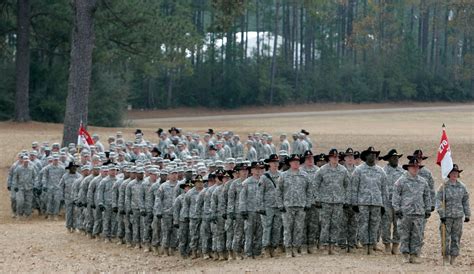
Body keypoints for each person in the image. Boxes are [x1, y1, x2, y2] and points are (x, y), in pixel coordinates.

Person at [392, 158, 431, 264]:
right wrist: (397, 209)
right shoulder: (401, 181)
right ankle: (405, 255)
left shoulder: (423, 182)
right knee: (404, 234)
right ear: (408, 168)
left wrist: (427, 209)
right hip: (405, 212)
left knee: (417, 235)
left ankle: (414, 255)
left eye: (417, 167)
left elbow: (427, 196)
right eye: (413, 167)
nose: (415, 169)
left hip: (419, 213)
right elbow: (395, 195)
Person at [351, 147, 388, 255]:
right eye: (370, 154)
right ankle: (365, 245)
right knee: (363, 224)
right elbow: (354, 188)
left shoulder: (381, 171)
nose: (373, 156)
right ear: (366, 156)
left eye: (374, 154)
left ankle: (372, 246)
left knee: (374, 225)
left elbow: (384, 190)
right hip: (363, 203)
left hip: (376, 203)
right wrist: (354, 203)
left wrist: (384, 205)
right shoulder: (358, 170)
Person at [314, 149, 351, 254]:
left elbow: (348, 186)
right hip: (326, 202)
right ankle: (325, 247)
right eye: (333, 157)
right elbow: (315, 185)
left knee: (336, 224)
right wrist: (317, 198)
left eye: (337, 157)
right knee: (325, 224)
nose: (335, 159)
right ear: (329, 158)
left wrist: (346, 200)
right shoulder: (322, 170)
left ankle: (333, 246)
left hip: (338, 202)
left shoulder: (343, 170)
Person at [277, 154, 311, 258]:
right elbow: (279, 191)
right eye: (293, 161)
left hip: (301, 205)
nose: (295, 163)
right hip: (288, 206)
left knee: (299, 228)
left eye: (297, 161)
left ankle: (296, 248)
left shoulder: (305, 175)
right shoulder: (283, 175)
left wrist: (308, 203)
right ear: (290, 163)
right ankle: (288, 249)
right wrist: (280, 204)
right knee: (288, 228)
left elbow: (309, 190)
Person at [435, 164, 470, 265]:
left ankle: (453, 257)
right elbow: (438, 200)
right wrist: (441, 214)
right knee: (445, 238)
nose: (454, 174)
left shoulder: (462, 187)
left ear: (458, 174)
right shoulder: (443, 186)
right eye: (452, 173)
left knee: (456, 237)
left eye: (456, 173)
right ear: (449, 174)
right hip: (446, 217)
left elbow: (465, 201)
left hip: (458, 217)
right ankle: (445, 257)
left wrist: (467, 214)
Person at [379, 149, 404, 254]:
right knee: (386, 225)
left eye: (397, 157)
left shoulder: (403, 172)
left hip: (399, 203)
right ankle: (387, 245)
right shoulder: (383, 171)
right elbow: (380, 187)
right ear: (389, 159)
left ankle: (396, 245)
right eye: (393, 157)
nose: (396, 159)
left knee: (398, 224)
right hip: (387, 202)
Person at [258, 154, 283, 258]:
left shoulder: (282, 175)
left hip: (278, 206)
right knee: (267, 227)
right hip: (267, 206)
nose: (275, 164)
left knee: (277, 228)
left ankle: (274, 247)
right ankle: (265, 248)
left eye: (277, 162)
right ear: (269, 164)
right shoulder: (264, 177)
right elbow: (259, 193)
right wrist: (261, 207)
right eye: (273, 162)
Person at [239, 161, 265, 259]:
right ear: (252, 170)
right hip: (250, 212)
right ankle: (248, 253)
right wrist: (243, 210)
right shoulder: (247, 182)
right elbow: (242, 197)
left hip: (261, 211)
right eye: (256, 169)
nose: (258, 171)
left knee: (260, 232)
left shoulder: (264, 180)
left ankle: (257, 252)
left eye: (260, 169)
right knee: (249, 233)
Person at [299, 150, 320, 254]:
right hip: (302, 203)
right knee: (302, 224)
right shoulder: (299, 170)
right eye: (308, 158)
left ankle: (311, 245)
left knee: (314, 225)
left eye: (311, 158)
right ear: (304, 160)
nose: (310, 160)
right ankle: (303, 245)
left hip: (315, 203)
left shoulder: (318, 170)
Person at [60, 162, 82, 232]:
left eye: (75, 167)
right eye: (73, 167)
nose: (74, 168)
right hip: (67, 197)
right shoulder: (65, 176)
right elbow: (61, 187)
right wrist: (61, 197)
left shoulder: (79, 176)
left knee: (76, 213)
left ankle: (75, 226)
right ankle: (69, 226)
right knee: (69, 213)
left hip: (76, 198)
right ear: (69, 168)